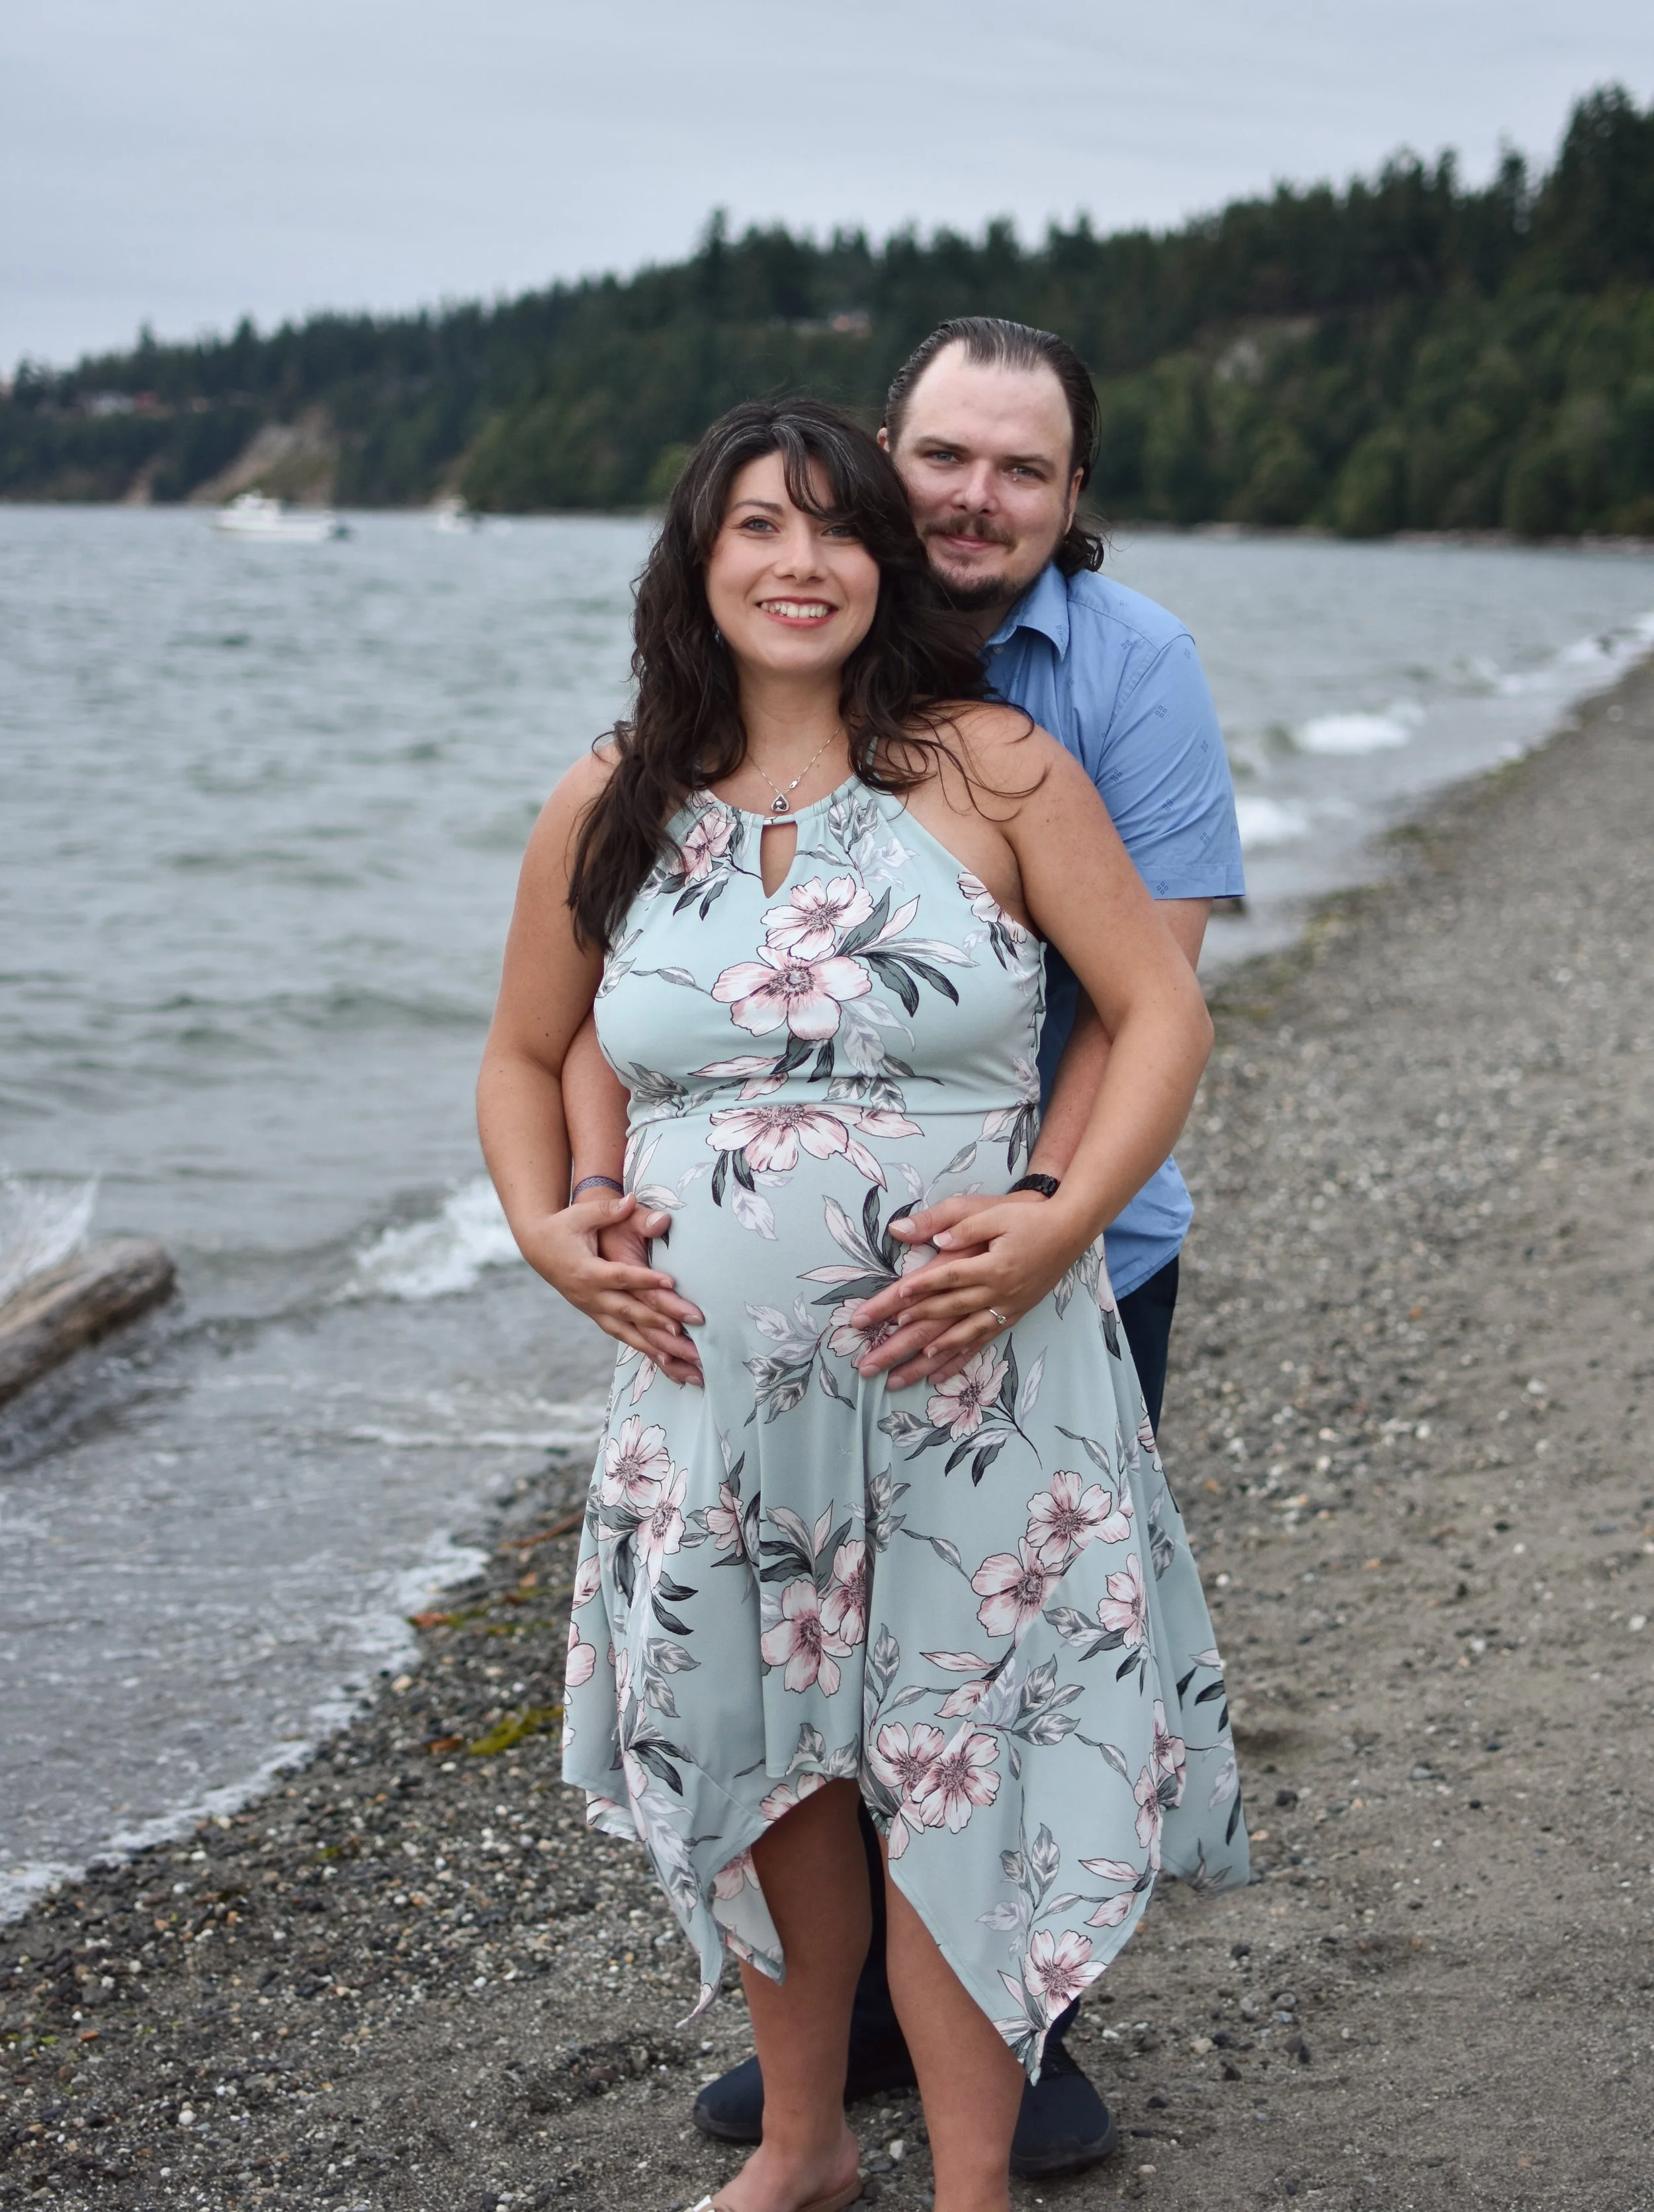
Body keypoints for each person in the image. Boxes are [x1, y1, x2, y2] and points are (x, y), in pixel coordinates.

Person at [478, 396, 1247, 2212]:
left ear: (883, 564)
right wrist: (542, 1220)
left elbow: (1160, 1016)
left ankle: (971, 2186)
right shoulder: (611, 793)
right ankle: (808, 2146)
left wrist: (1057, 1218)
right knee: (764, 1768)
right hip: (712, 1404)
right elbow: (522, 1052)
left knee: (966, 1771)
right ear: (700, 558)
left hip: (976, 1385)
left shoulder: (990, 771)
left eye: (832, 528)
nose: (797, 561)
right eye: (756, 525)